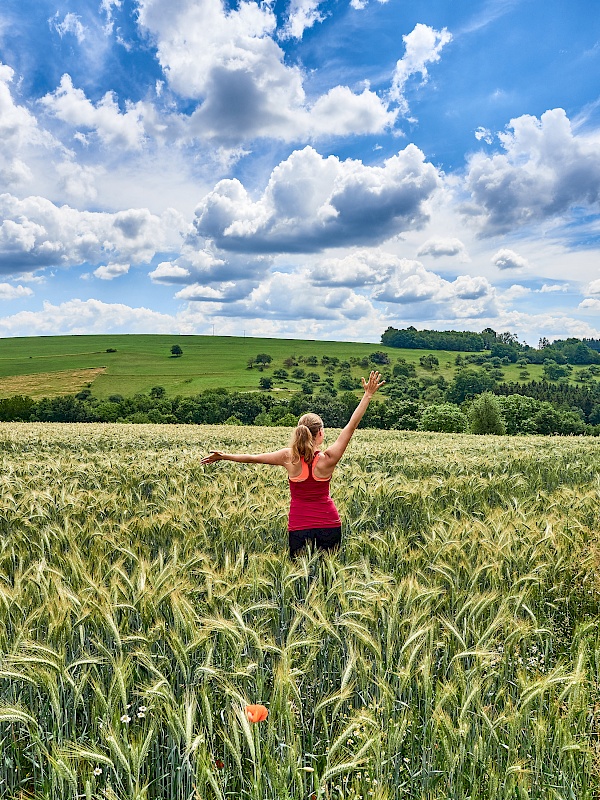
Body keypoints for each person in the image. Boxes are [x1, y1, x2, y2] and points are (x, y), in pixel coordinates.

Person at [201, 370, 385, 557]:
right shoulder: (328, 459)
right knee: (328, 579)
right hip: (329, 524)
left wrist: (224, 456)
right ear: (320, 433)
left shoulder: (288, 457)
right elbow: (350, 427)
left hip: (299, 525)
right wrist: (368, 395)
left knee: (301, 578)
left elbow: (253, 457)